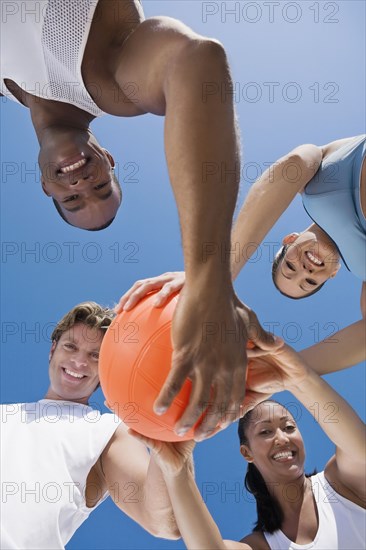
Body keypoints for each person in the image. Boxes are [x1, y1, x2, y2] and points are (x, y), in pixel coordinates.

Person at [1, 0, 279, 440]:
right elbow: (195, 60)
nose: (83, 183)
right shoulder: (109, 82)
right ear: (108, 159)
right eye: (100, 187)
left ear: (46, 186)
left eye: (74, 199)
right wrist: (210, 283)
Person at [118, 135, 366, 375]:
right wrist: (282, 368)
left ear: (290, 240)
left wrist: (215, 278)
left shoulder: (312, 186)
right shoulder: (362, 269)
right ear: (333, 273)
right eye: (309, 282)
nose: (305, 271)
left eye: (290, 267)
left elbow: (292, 166)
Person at [129, 344, 366, 549]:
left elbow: (360, 449)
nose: (282, 438)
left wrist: (295, 378)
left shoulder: (340, 485)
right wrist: (177, 471)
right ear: (246, 452)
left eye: (289, 427)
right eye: (266, 432)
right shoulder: (261, 545)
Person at [0, 301, 182, 549]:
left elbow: (161, 522)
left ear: (106, 369)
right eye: (70, 346)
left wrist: (169, 433)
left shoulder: (108, 430)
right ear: (53, 349)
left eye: (95, 355)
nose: (78, 361)